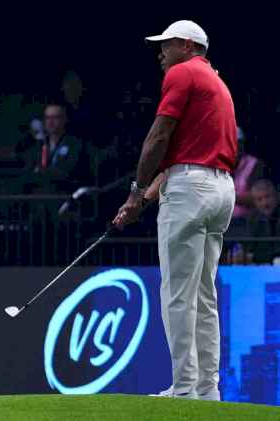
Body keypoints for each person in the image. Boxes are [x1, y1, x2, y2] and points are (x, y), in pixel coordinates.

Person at [113, 20, 237, 401]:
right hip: (220, 189)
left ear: (186, 45)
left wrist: (135, 190)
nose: (160, 54)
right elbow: (183, 161)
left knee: (178, 294)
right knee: (203, 295)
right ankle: (207, 390)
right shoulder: (216, 82)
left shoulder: (182, 74)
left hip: (191, 190)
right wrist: (142, 200)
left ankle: (184, 389)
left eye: (166, 45)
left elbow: (159, 135)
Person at [21, 104, 84, 194]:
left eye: (55, 118)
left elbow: (69, 173)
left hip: (64, 195)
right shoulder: (38, 146)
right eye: (47, 118)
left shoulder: (75, 145)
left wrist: (42, 171)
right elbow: (28, 173)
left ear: (64, 120)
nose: (50, 122)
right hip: (39, 196)